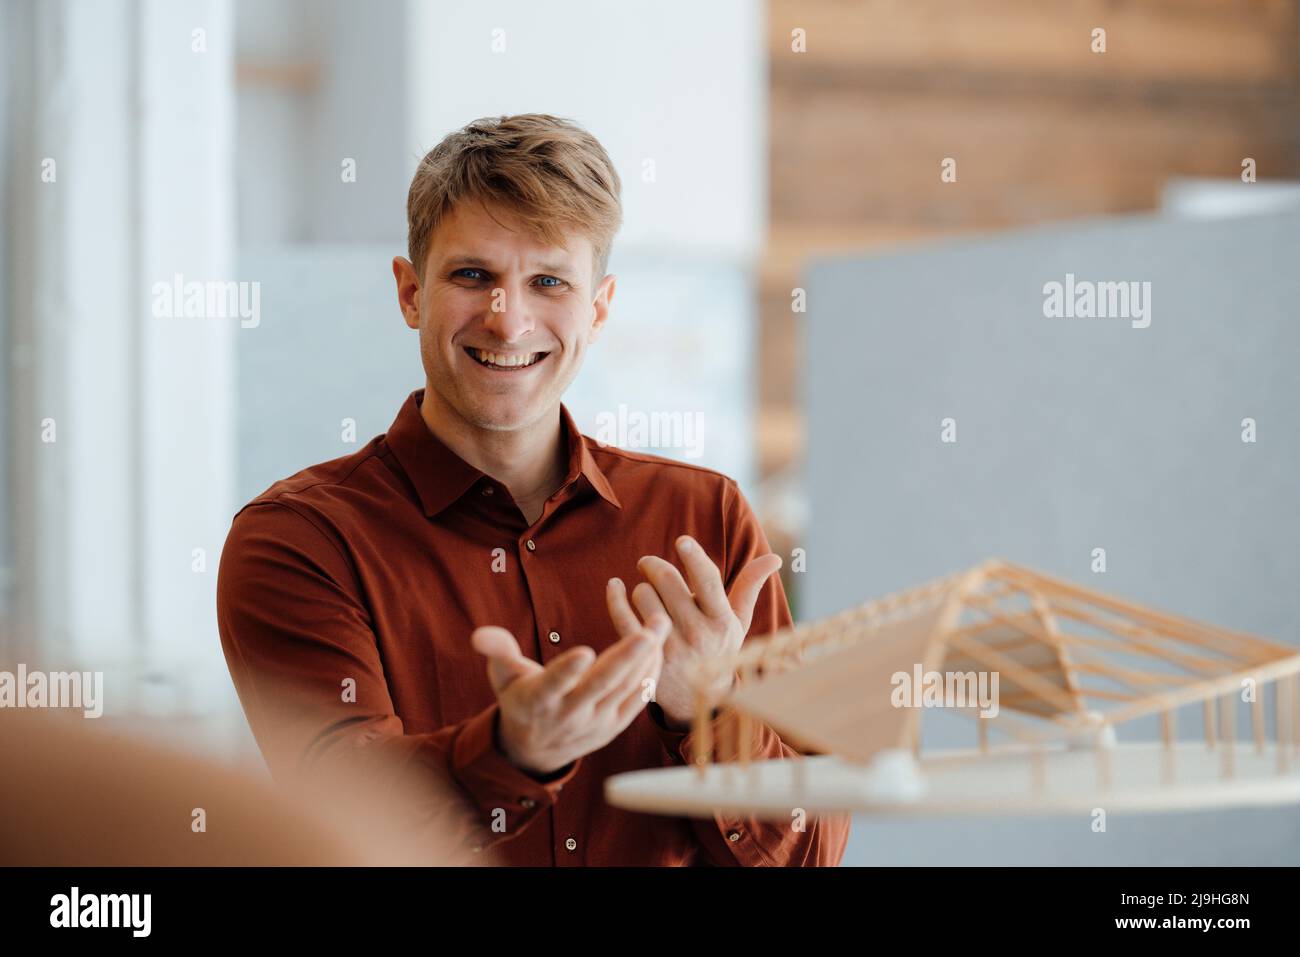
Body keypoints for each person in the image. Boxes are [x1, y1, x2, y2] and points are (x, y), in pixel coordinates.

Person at [216, 113, 851, 866]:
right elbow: (344, 827)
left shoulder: (703, 519)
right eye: (472, 275)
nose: (507, 319)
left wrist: (705, 714)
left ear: (599, 306)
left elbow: (811, 854)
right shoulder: (300, 541)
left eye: (548, 280)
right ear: (411, 291)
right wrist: (513, 751)